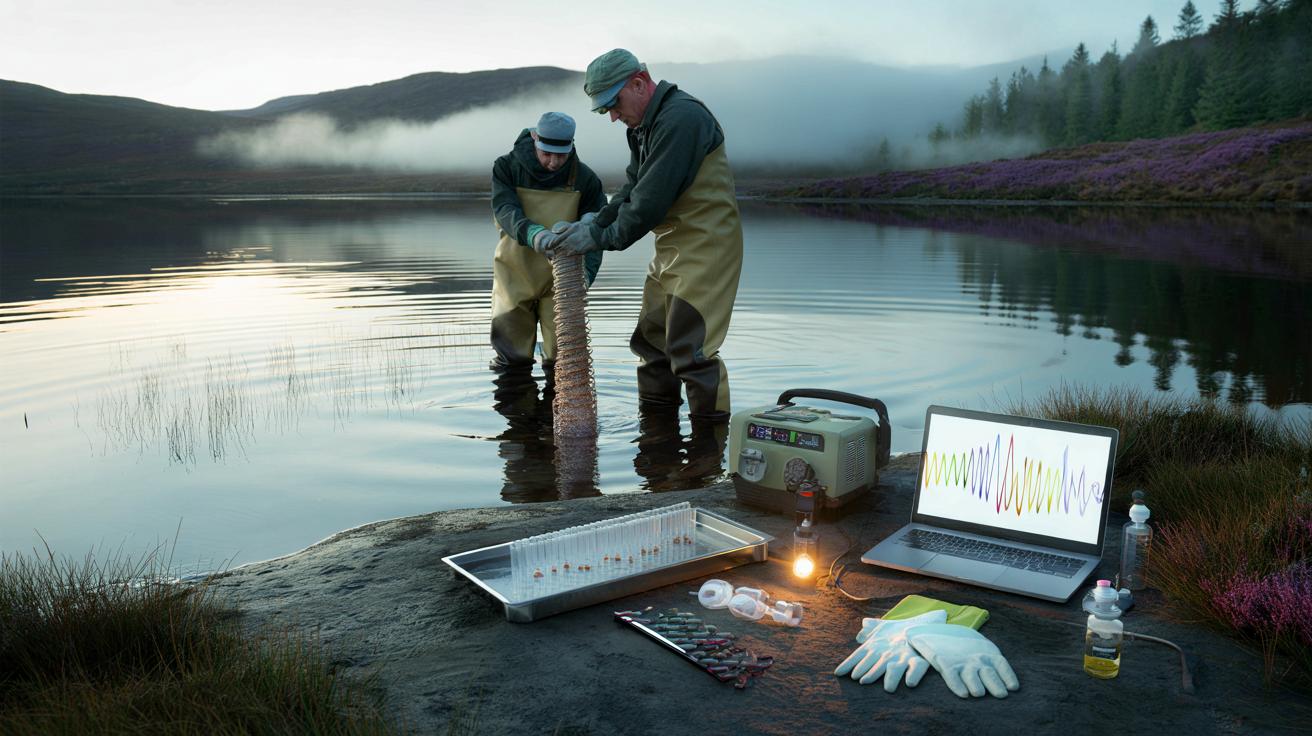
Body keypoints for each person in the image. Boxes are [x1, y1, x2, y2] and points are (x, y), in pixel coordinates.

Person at [555, 49, 743, 423]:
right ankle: (658, 441)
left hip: (708, 246)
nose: (612, 115)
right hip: (672, 247)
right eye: (603, 109)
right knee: (651, 342)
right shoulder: (644, 126)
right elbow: (631, 188)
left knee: (692, 351)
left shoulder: (682, 119)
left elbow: (647, 205)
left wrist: (596, 237)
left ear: (639, 84)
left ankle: (708, 453)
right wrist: (592, 221)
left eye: (613, 103)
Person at [490, 112, 606, 379]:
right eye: (547, 154)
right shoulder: (506, 167)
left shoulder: (586, 179)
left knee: (562, 362)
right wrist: (534, 235)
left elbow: (597, 234)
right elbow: (505, 210)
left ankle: (556, 419)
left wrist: (585, 276)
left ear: (571, 146)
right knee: (512, 362)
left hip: (563, 283)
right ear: (534, 140)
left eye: (561, 155)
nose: (554, 162)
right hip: (514, 276)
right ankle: (519, 420)